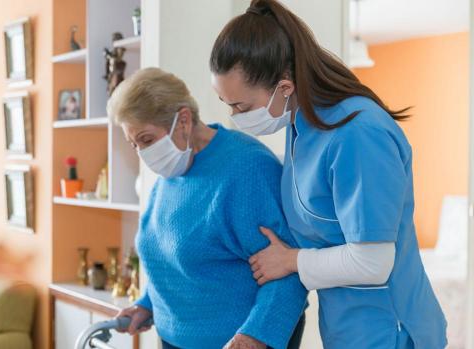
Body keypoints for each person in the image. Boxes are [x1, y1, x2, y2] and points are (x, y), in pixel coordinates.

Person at [209, 1, 447, 348]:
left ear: (285, 88)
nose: (234, 115)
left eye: (241, 107)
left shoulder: (359, 132)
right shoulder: (301, 125)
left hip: (391, 330)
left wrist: (290, 261)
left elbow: (373, 262)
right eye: (225, 103)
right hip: (345, 329)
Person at [109, 67, 307, 349]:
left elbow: (288, 272)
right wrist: (147, 305)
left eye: (147, 140)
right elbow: (171, 259)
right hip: (173, 339)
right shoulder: (171, 174)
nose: (142, 153)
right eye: (134, 144)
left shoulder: (247, 168)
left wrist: (254, 336)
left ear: (184, 120)